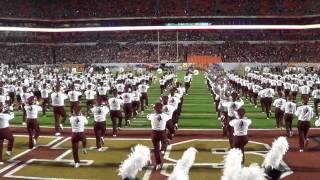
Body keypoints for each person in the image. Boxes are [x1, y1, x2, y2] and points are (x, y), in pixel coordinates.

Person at [147, 102, 171, 171]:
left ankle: (158, 164)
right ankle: (163, 149)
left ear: (155, 109)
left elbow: (148, 116)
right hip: (162, 132)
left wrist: (154, 109)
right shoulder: (165, 116)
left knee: (156, 149)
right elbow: (169, 125)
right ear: (162, 109)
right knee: (166, 140)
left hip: (154, 133)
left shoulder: (151, 116)